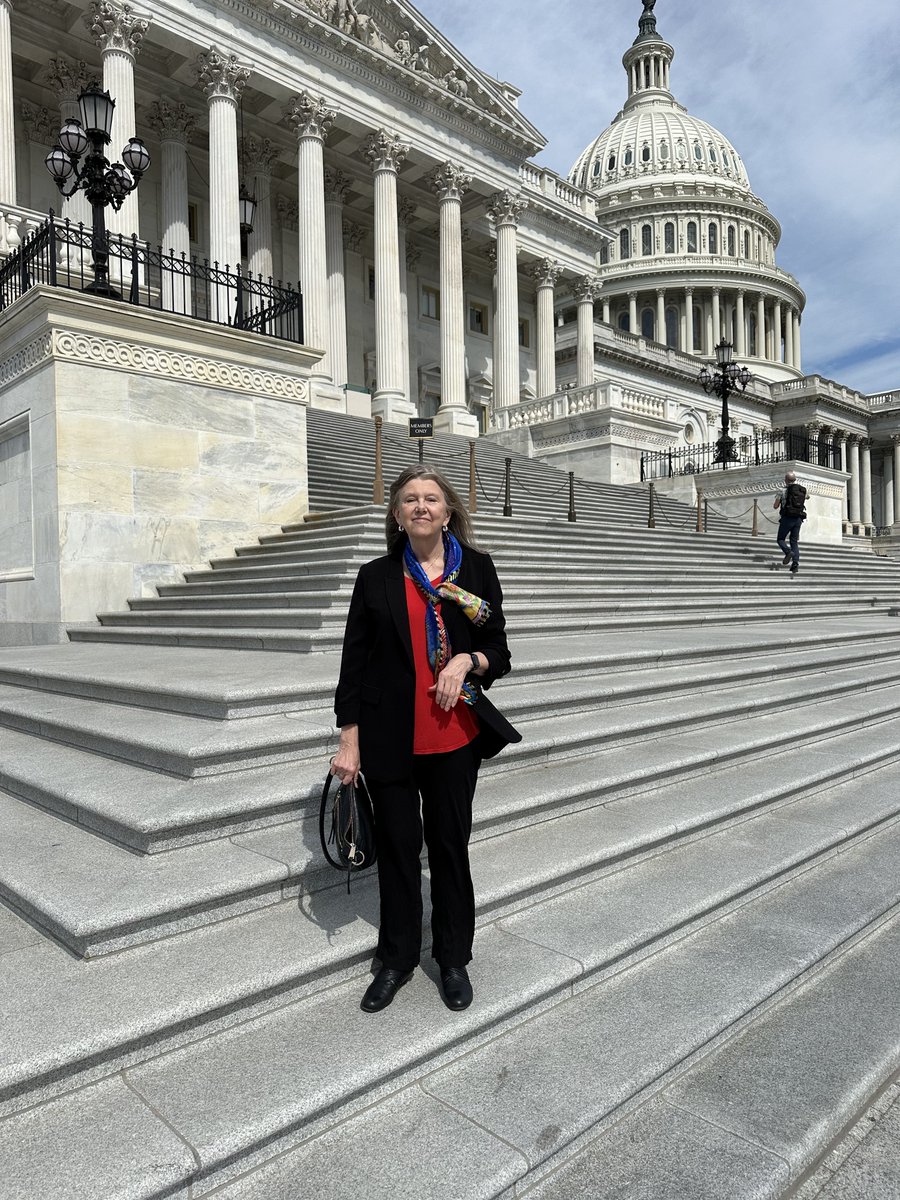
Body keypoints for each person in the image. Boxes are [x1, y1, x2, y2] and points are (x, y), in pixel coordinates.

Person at [331, 464, 517, 1014]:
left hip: (455, 737)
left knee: (449, 849)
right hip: (391, 738)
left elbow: (500, 651)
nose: (420, 507)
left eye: (431, 498)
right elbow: (354, 665)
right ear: (396, 514)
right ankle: (397, 959)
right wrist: (349, 740)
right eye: (409, 499)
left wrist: (468, 658)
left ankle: (453, 957)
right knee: (396, 851)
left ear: (448, 510)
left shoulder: (476, 570)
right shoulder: (376, 576)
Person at [774, 470, 806, 575]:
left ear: (786, 480)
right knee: (794, 541)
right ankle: (795, 563)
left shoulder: (782, 490)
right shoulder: (801, 490)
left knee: (780, 539)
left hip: (787, 518)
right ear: (795, 480)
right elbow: (808, 497)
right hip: (798, 519)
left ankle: (788, 552)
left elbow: (775, 506)